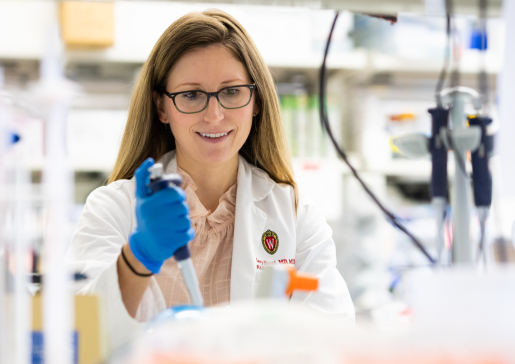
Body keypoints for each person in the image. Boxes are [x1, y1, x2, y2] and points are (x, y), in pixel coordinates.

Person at [65, 9, 354, 350]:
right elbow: (78, 335)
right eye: (191, 95)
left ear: (256, 100)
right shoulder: (113, 208)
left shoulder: (295, 214)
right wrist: (138, 257)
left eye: (231, 92)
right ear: (162, 108)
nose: (214, 115)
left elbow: (333, 338)